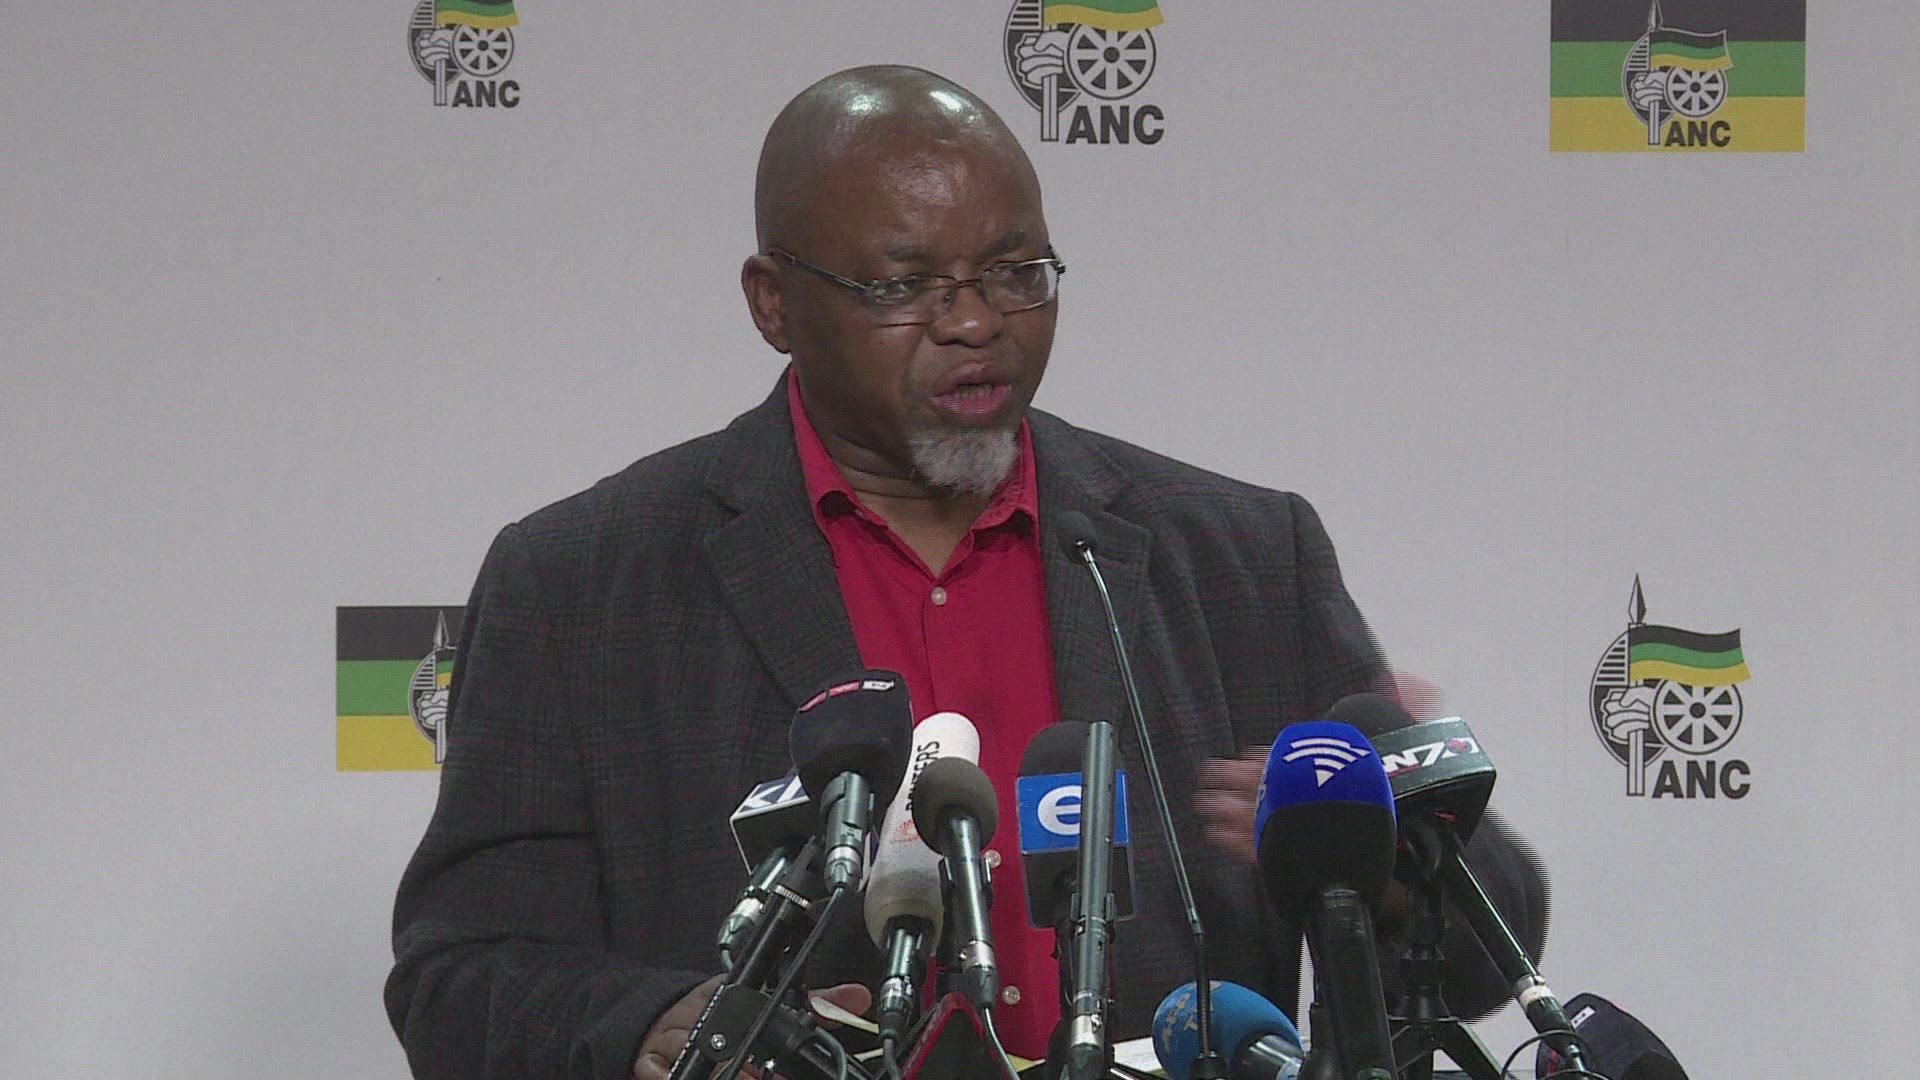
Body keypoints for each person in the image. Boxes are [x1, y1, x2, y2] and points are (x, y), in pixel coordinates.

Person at [385, 65, 1548, 1080]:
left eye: (1016, 271)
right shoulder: (583, 583)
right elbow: (461, 977)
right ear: (773, 304)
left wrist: (1387, 868)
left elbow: (1490, 945)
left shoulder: (1238, 556)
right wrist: (661, 1026)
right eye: (906, 286)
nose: (977, 322)